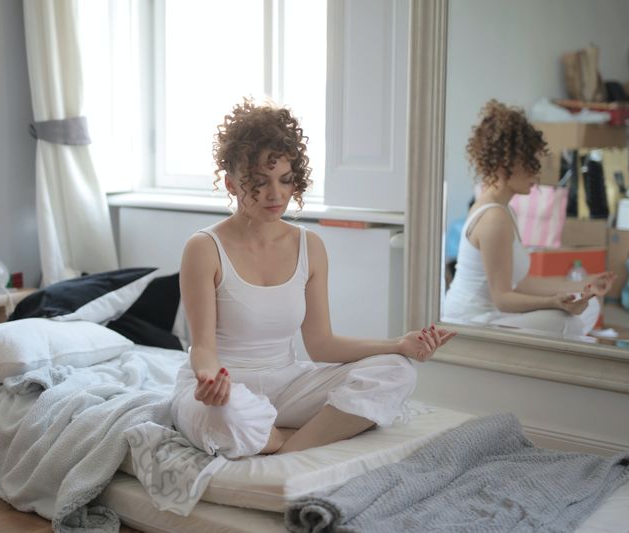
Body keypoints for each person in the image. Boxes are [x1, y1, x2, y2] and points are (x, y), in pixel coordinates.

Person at [169, 98, 456, 458]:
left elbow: (321, 344)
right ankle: (286, 434)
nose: (276, 194)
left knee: (398, 372)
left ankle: (286, 447)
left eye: (286, 180)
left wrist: (398, 344)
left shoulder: (310, 246)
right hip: (226, 389)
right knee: (227, 417)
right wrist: (209, 381)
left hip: (287, 383)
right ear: (230, 183)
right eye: (259, 182)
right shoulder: (204, 247)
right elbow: (204, 347)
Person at [442, 100, 615, 338]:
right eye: (530, 164)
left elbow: (522, 284)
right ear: (505, 165)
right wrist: (554, 303)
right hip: (471, 322)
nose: (537, 172)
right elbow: (503, 299)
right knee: (566, 322)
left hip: (491, 315)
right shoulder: (494, 218)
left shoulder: (504, 210)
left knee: (589, 306)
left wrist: (585, 284)